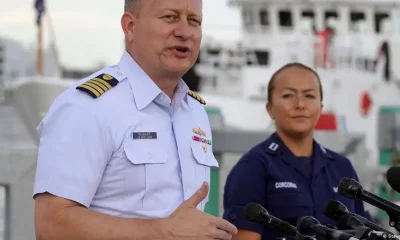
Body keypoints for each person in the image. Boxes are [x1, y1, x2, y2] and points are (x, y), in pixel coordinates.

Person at [32, 0, 238, 239]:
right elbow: (51, 225)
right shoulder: (87, 108)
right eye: (170, 17)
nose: (184, 32)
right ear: (130, 27)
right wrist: (163, 232)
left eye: (194, 21)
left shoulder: (195, 112)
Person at [222, 62, 372, 240]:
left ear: (320, 108)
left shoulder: (342, 168)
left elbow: (363, 233)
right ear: (270, 108)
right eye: (288, 95)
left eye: (309, 96)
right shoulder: (252, 167)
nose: (300, 104)